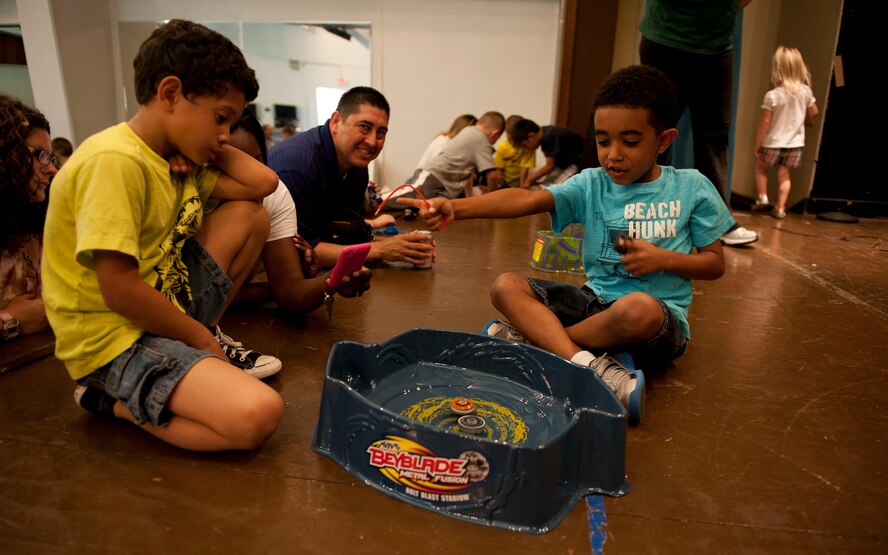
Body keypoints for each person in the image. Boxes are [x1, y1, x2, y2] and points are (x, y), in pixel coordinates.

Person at [399, 66, 734, 424]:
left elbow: (714, 264)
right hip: (593, 305)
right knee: (506, 286)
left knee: (639, 308)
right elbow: (526, 199)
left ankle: (538, 343)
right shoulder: (591, 183)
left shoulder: (691, 187)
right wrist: (457, 208)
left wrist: (662, 259)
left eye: (630, 142)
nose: (613, 154)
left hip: (657, 325)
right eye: (603, 141)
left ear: (664, 141)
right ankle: (586, 363)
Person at [42, 19, 283, 451]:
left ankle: (193, 348)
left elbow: (263, 184)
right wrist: (200, 340)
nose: (225, 135)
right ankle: (107, 399)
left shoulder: (176, 159)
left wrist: (208, 145)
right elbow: (119, 290)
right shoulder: (114, 161)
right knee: (258, 414)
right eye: (221, 119)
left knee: (251, 216)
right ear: (170, 94)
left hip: (164, 305)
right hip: (113, 339)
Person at [268, 86, 435, 268]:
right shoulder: (299, 167)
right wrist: (380, 249)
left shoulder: (355, 164)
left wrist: (405, 245)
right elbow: (303, 252)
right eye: (364, 127)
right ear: (336, 121)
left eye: (380, 132)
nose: (372, 141)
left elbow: (347, 232)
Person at [639, 0, 759, 246]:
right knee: (654, 131)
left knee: (716, 136)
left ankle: (717, 222)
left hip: (717, 46)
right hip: (666, 40)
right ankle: (636, 213)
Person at [227, 114, 372, 313]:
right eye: (236, 166)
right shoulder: (192, 200)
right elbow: (195, 299)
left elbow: (289, 292)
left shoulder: (272, 194)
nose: (253, 175)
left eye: (258, 162)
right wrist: (272, 290)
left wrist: (334, 279)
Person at [0, 94, 59, 342]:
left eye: (51, 158)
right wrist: (10, 321)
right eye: (41, 155)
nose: (52, 169)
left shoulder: (37, 224)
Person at [752, 46, 818, 219]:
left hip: (773, 141)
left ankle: (763, 196)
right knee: (784, 174)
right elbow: (814, 112)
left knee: (761, 168)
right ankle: (780, 208)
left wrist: (758, 144)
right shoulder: (805, 92)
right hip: (795, 144)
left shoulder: (773, 95)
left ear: (778, 68)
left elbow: (765, 121)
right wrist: (808, 121)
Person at [411, 111, 506, 199]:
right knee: (408, 201)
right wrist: (490, 199)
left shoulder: (469, 131)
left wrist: (470, 199)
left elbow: (468, 175)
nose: (493, 143)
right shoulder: (481, 140)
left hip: (440, 182)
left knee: (426, 207)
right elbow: (493, 176)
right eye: (497, 139)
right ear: (495, 133)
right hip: (433, 177)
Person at [494, 116, 538, 189]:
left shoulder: (527, 148)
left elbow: (524, 168)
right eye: (509, 139)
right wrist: (501, 182)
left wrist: (522, 186)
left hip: (519, 183)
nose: (513, 144)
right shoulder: (502, 147)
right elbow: (499, 168)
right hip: (504, 182)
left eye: (516, 140)